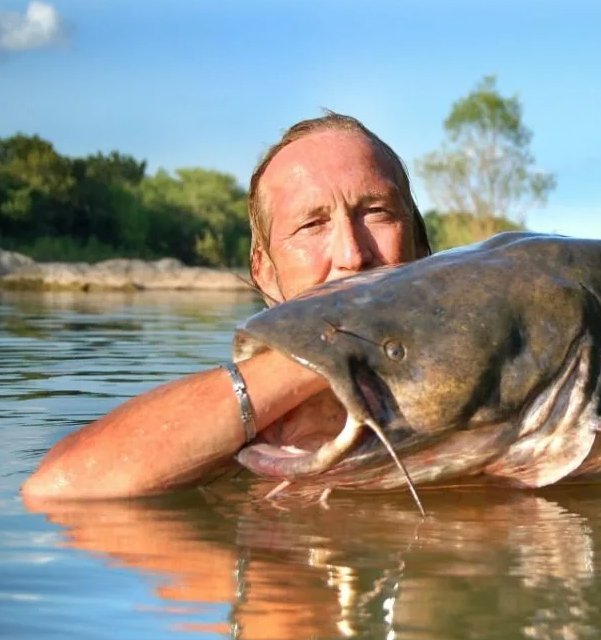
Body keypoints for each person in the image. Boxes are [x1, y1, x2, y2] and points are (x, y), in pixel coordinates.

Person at [21, 112, 432, 500]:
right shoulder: (224, 437)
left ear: (422, 248)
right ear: (264, 273)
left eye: (376, 213)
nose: (352, 253)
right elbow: (58, 487)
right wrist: (329, 344)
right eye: (312, 224)